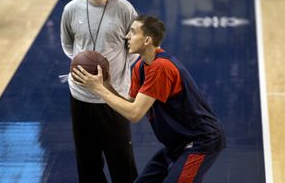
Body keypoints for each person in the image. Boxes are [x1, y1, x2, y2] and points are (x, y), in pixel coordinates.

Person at [72, 15, 226, 183]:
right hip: (177, 144)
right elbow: (129, 104)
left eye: (132, 32)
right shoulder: (141, 66)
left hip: (200, 142)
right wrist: (107, 86)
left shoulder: (161, 68)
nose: (127, 37)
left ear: (147, 40)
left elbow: (134, 114)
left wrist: (98, 89)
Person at [60, 0, 138, 183]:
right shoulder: (71, 9)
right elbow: (68, 46)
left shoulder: (124, 9)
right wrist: (84, 65)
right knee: (87, 164)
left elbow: (133, 48)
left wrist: (114, 71)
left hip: (114, 97)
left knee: (122, 164)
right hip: (81, 97)